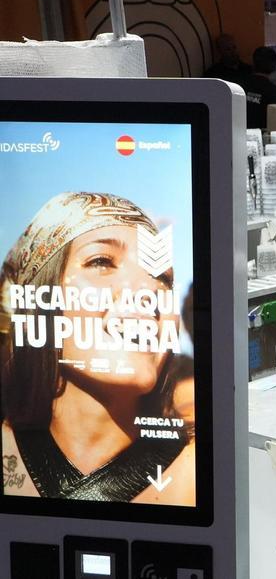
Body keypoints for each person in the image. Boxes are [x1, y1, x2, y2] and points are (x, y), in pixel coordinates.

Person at [1, 193, 195, 504]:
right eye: (102, 261)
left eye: (161, 277)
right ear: (38, 300)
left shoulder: (203, 475)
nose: (148, 290)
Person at [244, 46, 276, 130]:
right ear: (274, 66)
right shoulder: (274, 92)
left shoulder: (239, 86)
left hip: (238, 133)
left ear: (253, 63)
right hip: (262, 137)